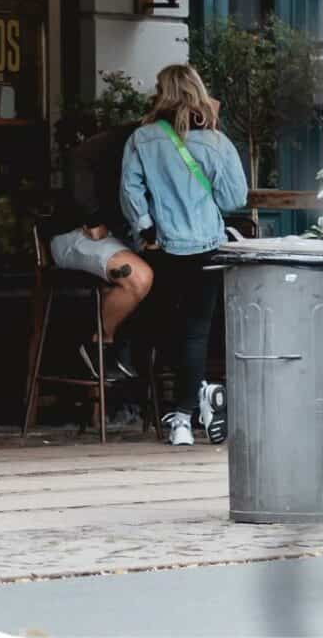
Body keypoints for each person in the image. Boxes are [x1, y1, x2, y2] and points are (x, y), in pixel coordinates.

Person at [120, 64, 248, 446]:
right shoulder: (217, 142)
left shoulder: (141, 139)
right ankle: (187, 414)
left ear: (162, 93)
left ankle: (187, 406)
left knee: (165, 329)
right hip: (207, 245)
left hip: (162, 247)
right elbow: (234, 198)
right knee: (196, 332)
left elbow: (130, 192)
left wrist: (146, 230)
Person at [49, 122, 154, 383]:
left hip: (122, 239)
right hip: (78, 233)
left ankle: (129, 349)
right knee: (138, 276)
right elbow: (79, 157)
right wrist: (92, 217)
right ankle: (99, 344)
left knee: (174, 276)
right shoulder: (126, 137)